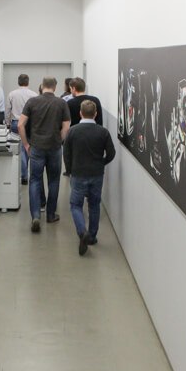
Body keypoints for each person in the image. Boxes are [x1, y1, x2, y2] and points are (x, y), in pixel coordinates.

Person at [63, 100, 116, 256]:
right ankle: (92, 236)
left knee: (75, 205)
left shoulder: (72, 131)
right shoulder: (103, 132)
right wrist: (101, 163)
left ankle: (82, 231)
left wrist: (70, 170)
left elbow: (66, 154)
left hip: (78, 173)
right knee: (94, 205)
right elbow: (111, 153)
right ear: (96, 114)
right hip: (96, 174)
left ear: (80, 113)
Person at [19, 76, 70, 232]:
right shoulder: (61, 103)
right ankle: (50, 215)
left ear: (42, 86)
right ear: (54, 87)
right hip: (54, 148)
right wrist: (59, 141)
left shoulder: (32, 102)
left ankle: (35, 216)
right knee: (54, 181)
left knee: (35, 180)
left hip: (36, 148)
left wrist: (26, 144)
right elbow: (66, 127)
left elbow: (21, 124)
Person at [4, 74, 36, 185]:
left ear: (18, 82)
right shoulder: (34, 95)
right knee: (28, 147)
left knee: (20, 149)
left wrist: (7, 124)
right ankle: (27, 173)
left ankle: (23, 175)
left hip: (16, 124)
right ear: (28, 82)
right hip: (29, 124)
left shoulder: (12, 94)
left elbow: (7, 111)